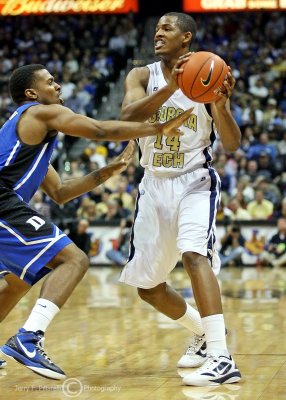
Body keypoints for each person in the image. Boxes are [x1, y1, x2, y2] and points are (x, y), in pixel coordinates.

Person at [0, 64, 192, 379]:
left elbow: (60, 192)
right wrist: (157, 129)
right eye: (50, 82)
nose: (58, 85)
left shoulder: (27, 140)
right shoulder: (39, 113)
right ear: (31, 93)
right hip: (3, 202)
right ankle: (28, 338)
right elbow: (100, 130)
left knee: (18, 281)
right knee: (74, 260)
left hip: (6, 203)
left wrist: (109, 171)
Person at [119, 12, 242, 386]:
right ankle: (202, 334)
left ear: (187, 37)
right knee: (149, 288)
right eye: (156, 28)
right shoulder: (141, 75)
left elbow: (233, 144)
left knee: (194, 254)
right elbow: (127, 117)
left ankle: (222, 358)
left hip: (194, 181)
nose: (157, 33)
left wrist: (220, 106)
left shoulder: (209, 73)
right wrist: (172, 86)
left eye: (167, 28)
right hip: (153, 184)